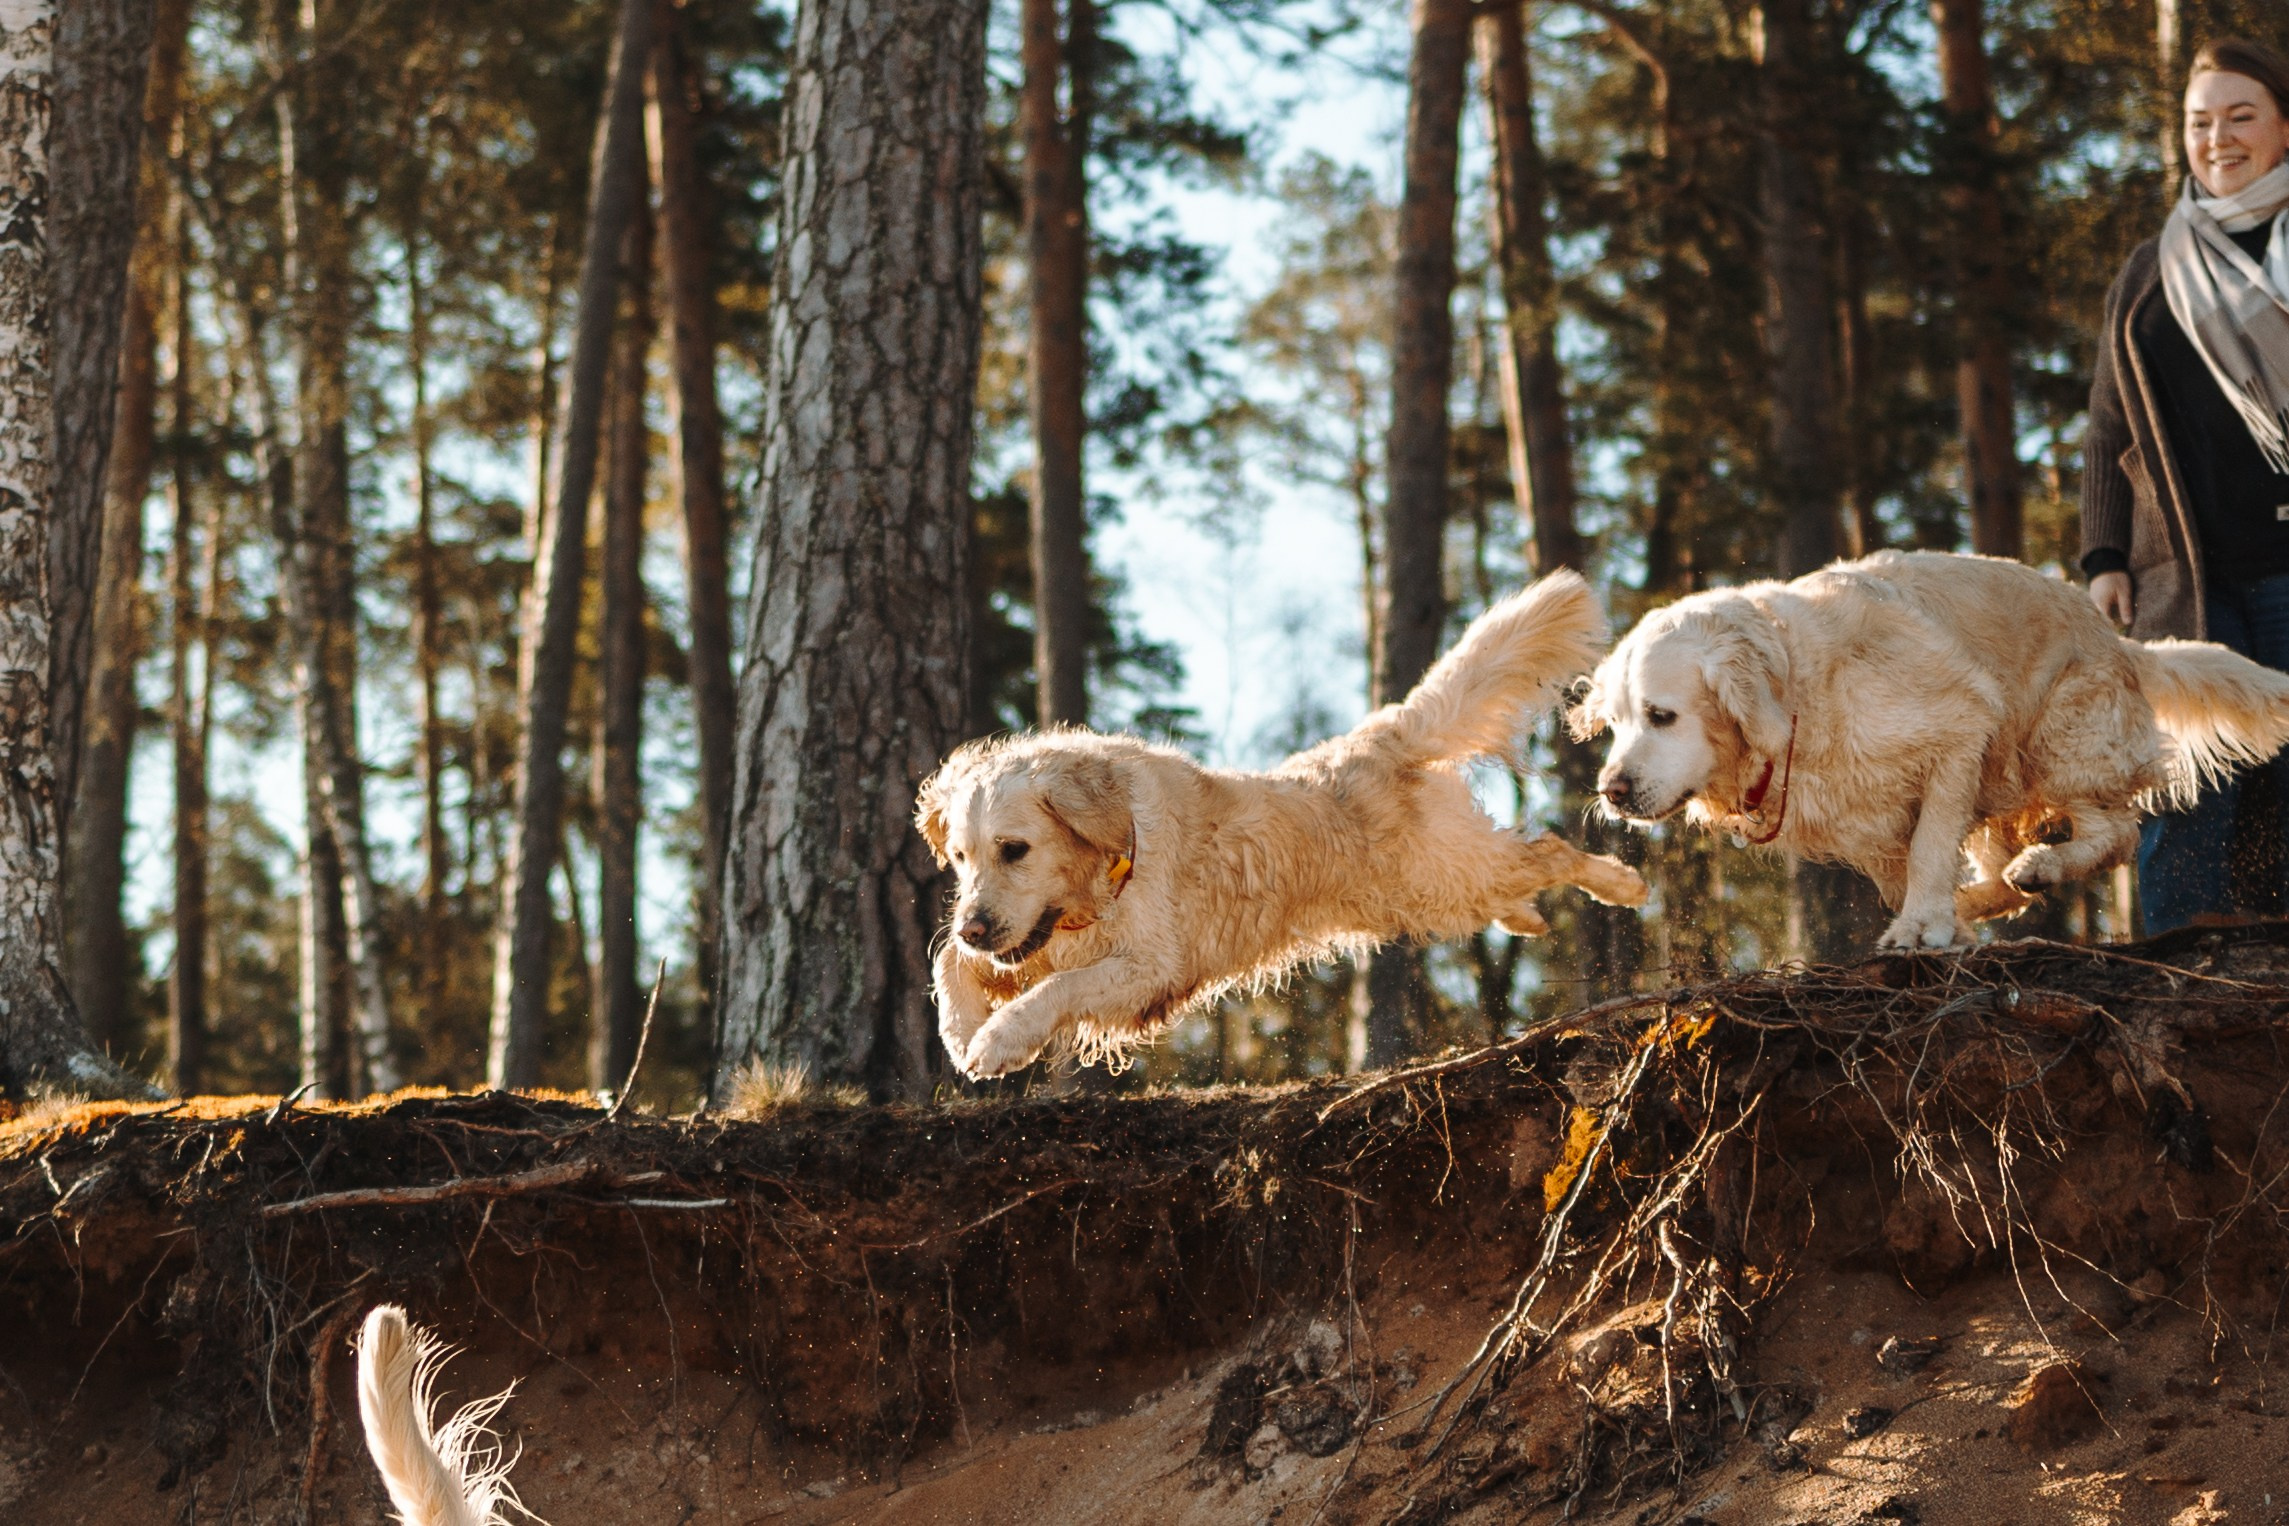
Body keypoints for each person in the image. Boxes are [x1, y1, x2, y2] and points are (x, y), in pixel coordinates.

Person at [2082, 36, 2289, 933]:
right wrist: (2102, 554)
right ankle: (2169, 990)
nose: (2219, 138)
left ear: (2283, 127)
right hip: (2185, 578)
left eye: (2241, 116)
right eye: (2200, 122)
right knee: (2184, 778)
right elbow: (2106, 426)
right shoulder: (2149, 269)